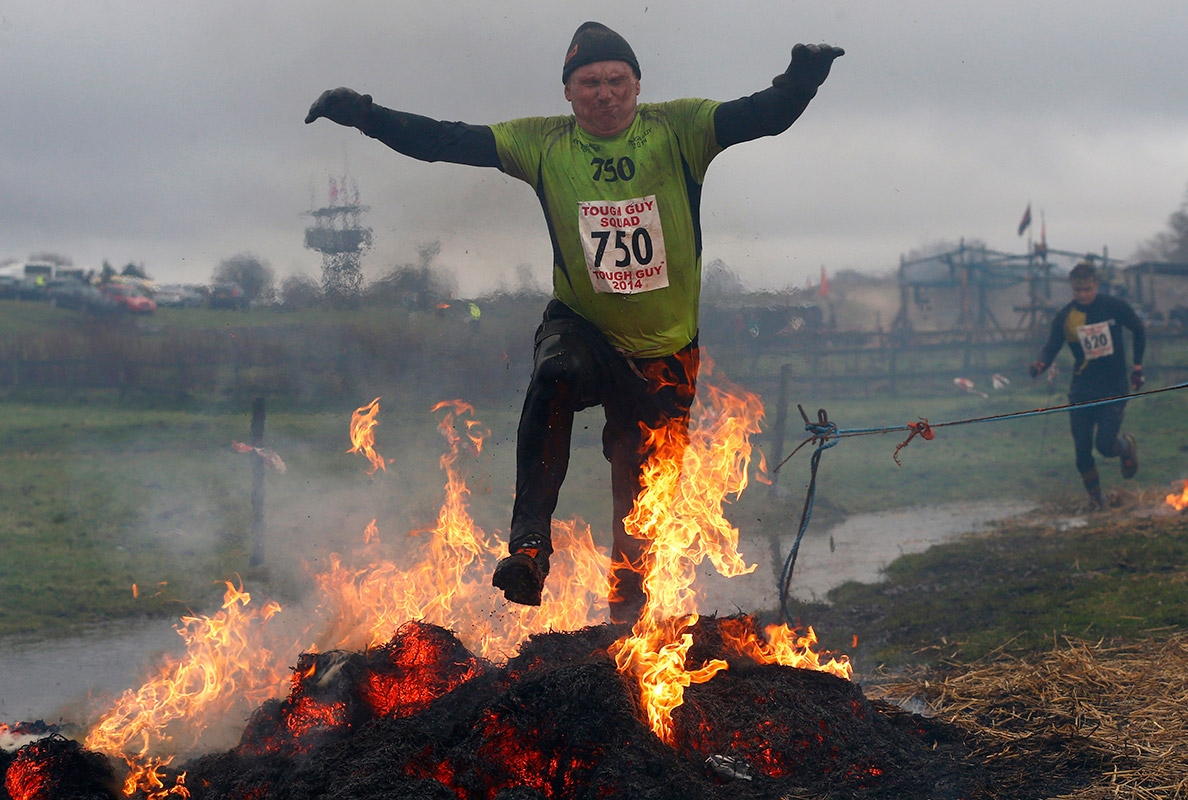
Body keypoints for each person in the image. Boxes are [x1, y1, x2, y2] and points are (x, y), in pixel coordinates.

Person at [307, 22, 843, 622]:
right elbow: (444, 140)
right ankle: (529, 547)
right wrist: (366, 115)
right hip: (583, 324)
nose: (604, 93)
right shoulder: (543, 143)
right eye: (589, 83)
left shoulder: (680, 128)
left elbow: (760, 116)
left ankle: (627, 626)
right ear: (568, 92)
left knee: (640, 502)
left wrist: (802, 78)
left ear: (638, 86)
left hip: (665, 355)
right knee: (554, 372)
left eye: (617, 80)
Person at [1030, 260, 1146, 508]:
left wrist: (1137, 367)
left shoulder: (1114, 307)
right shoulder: (1066, 316)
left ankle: (1126, 445)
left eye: (1087, 289)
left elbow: (1138, 330)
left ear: (1096, 285)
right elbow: (1052, 345)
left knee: (1104, 445)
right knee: (1082, 452)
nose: (1083, 295)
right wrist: (1040, 363)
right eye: (1077, 291)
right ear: (1072, 290)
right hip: (1081, 390)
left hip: (1113, 388)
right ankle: (1096, 500)